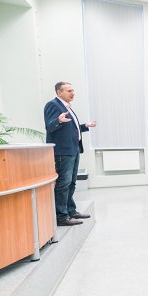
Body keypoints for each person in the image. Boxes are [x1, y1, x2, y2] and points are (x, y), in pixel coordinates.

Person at [44, 81, 97, 226]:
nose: (72, 93)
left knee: (72, 183)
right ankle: (61, 217)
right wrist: (58, 121)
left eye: (73, 90)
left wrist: (85, 126)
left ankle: (71, 210)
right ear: (58, 92)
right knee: (63, 184)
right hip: (62, 151)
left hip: (73, 150)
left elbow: (72, 128)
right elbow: (49, 126)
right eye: (68, 91)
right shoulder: (53, 105)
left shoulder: (67, 107)